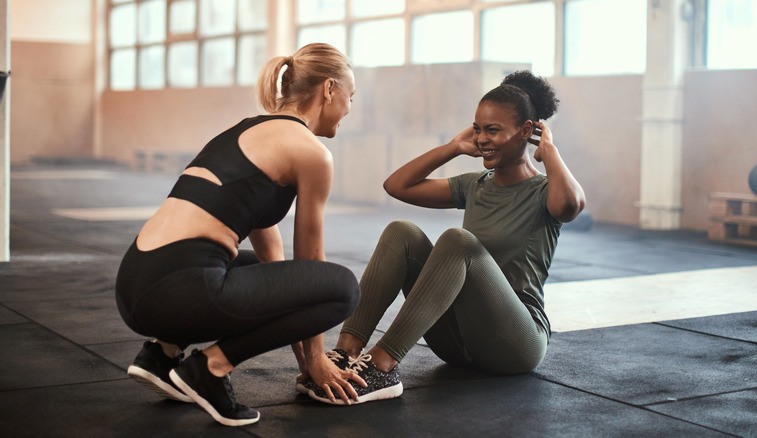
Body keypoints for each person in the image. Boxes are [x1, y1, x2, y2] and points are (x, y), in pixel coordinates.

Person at [115, 43, 366, 427]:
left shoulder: (247, 131)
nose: (349, 107)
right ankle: (211, 368)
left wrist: (304, 365)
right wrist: (317, 361)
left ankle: (162, 354)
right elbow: (311, 261)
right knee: (342, 287)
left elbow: (278, 268)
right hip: (177, 291)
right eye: (350, 95)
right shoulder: (310, 152)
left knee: (266, 270)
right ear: (329, 90)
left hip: (136, 283)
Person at [306, 70, 586, 404]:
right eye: (478, 129)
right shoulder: (476, 185)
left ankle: (382, 366)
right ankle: (344, 355)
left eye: (493, 130)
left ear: (527, 131)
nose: (482, 139)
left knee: (459, 241)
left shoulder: (543, 191)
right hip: (457, 342)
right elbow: (397, 186)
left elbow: (570, 205)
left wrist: (549, 150)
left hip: (515, 345)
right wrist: (453, 147)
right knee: (402, 232)